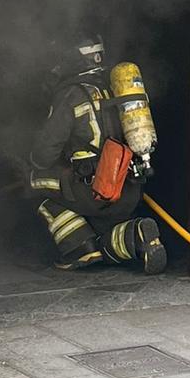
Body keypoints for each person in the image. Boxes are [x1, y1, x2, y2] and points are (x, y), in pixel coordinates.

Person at [29, 30, 167, 273]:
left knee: (35, 182)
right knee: (108, 240)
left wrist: (35, 161)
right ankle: (137, 234)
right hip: (129, 190)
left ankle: (79, 248)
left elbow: (44, 153)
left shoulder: (72, 94)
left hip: (95, 190)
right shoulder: (120, 86)